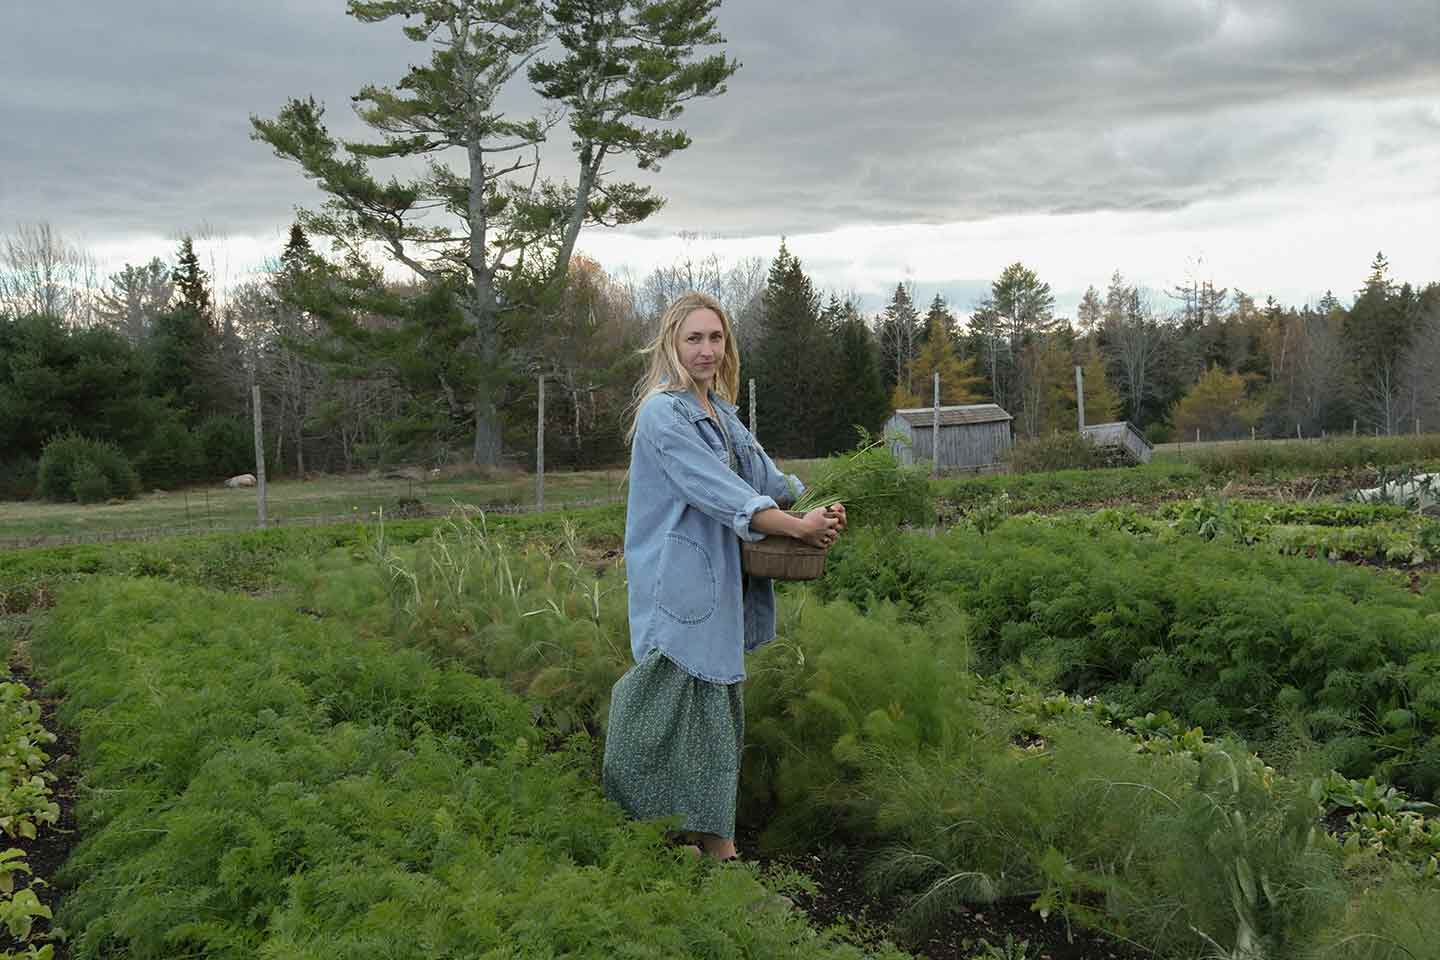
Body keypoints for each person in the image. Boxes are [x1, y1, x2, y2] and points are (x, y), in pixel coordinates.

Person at [602, 291, 845, 860]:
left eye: (715, 338)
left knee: (712, 716)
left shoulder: (721, 412)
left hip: (718, 588)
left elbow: (766, 476)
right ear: (672, 344)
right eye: (694, 339)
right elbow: (719, 490)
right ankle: (696, 849)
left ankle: (677, 841)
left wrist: (821, 506)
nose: (706, 350)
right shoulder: (665, 414)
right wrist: (791, 524)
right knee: (665, 710)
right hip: (680, 583)